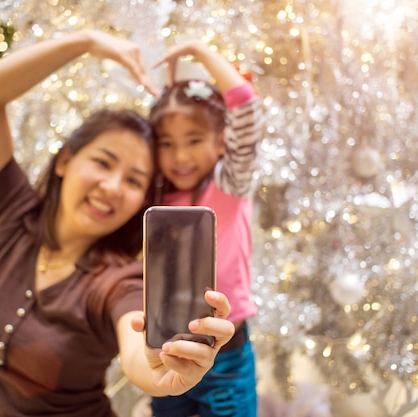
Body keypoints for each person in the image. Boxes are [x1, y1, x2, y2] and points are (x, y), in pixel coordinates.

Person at [0, 29, 235, 417]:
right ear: (65, 161)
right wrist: (85, 42)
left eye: (134, 181)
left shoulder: (118, 280)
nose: (112, 187)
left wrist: (159, 370)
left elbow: (135, 345)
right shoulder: (8, 215)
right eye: (103, 163)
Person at [147, 40, 264, 417]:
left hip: (226, 355)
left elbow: (246, 107)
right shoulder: (156, 199)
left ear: (220, 142)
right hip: (168, 350)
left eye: (193, 141)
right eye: (167, 144)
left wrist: (201, 52)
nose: (180, 156)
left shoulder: (228, 186)